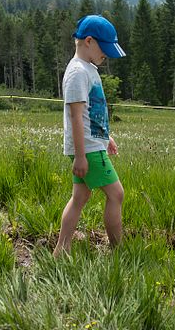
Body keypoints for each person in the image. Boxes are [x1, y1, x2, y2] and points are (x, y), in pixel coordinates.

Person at [54, 15, 127, 257]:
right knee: (116, 194)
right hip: (87, 149)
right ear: (88, 41)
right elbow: (75, 117)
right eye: (104, 50)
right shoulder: (77, 72)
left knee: (80, 197)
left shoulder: (89, 69)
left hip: (93, 144)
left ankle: (61, 250)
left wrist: (107, 137)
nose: (106, 57)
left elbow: (91, 114)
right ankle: (119, 250)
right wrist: (81, 156)